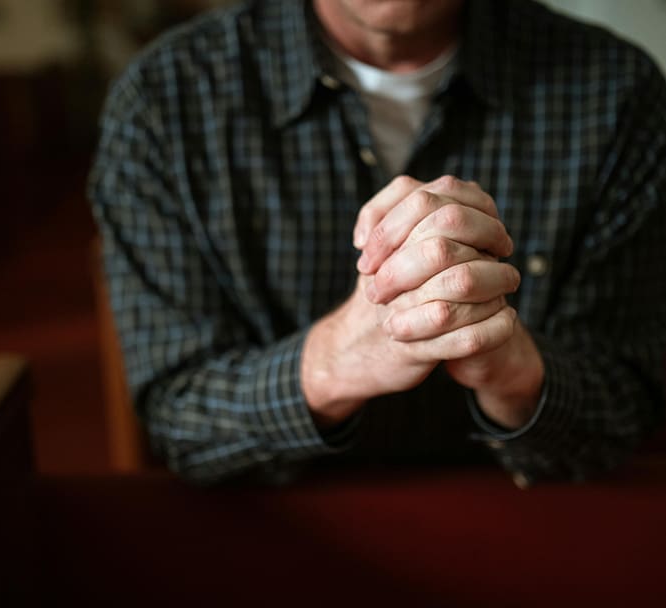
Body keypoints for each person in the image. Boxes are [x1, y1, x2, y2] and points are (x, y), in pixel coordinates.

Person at [89, 0, 666, 486]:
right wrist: (332, 363)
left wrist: (518, 378)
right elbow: (175, 420)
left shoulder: (616, 95)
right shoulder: (165, 104)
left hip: (536, 522)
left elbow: (630, 404)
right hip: (276, 532)